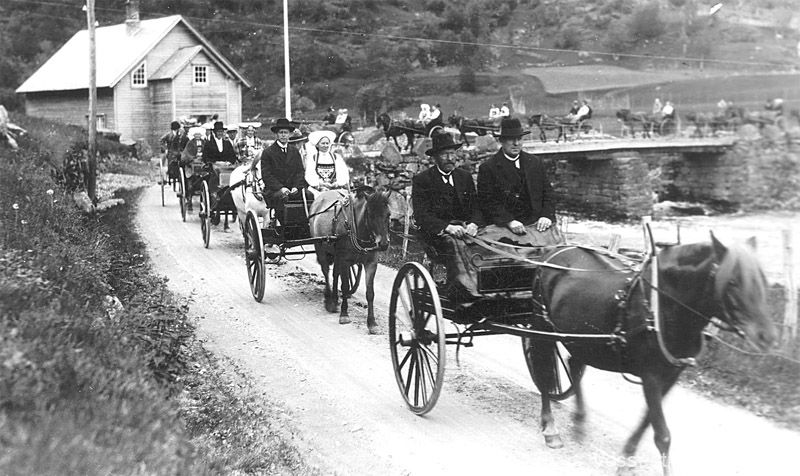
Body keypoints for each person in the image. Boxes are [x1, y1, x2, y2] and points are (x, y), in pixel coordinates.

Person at [412, 131, 484, 298]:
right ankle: (462, 287)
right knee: (454, 244)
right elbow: (421, 215)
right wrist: (447, 227)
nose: (450, 158)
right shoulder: (423, 180)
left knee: (489, 240)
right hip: (437, 235)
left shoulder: (464, 177)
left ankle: (486, 283)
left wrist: (474, 224)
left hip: (466, 231)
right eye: (444, 154)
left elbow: (476, 207)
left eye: (452, 153)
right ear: (435, 157)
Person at [477, 117, 555, 235]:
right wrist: (509, 221)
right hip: (506, 228)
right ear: (501, 141)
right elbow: (487, 202)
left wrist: (546, 215)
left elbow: (548, 193)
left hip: (537, 225)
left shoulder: (535, 162)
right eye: (511, 139)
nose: (516, 143)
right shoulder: (488, 168)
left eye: (519, 139)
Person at [260, 118, 308, 226]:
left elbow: (300, 172)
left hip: (293, 188)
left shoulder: (294, 151)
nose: (283, 135)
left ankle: (304, 225)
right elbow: (267, 175)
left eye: (285, 132)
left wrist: (296, 186)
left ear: (290, 134)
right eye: (281, 132)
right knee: (283, 198)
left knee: (309, 195)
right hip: (275, 190)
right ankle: (286, 227)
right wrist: (281, 188)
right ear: (276, 134)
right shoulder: (268, 152)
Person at [304, 130, 350, 197]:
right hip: (318, 190)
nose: (325, 145)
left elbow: (343, 172)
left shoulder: (336, 157)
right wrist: (320, 184)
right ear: (317, 145)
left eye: (327, 143)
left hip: (335, 188)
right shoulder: (313, 158)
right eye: (323, 143)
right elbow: (310, 174)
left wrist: (337, 183)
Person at [179, 127, 207, 211]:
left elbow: (207, 151)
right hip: (191, 165)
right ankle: (189, 199)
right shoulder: (190, 143)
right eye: (196, 135)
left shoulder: (204, 142)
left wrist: (203, 157)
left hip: (202, 164)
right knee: (190, 183)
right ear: (193, 135)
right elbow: (187, 153)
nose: (197, 136)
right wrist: (193, 158)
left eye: (199, 135)